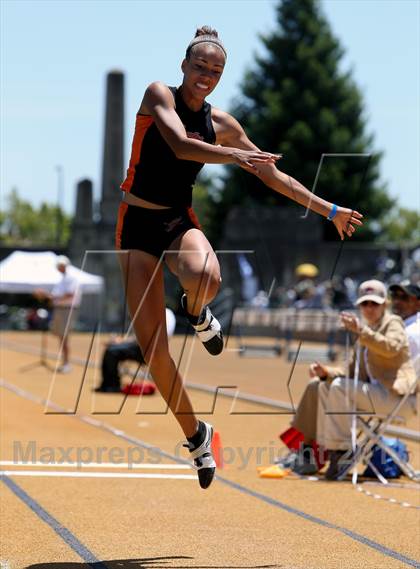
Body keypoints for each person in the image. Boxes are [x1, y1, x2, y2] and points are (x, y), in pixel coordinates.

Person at [116, 26, 363, 489]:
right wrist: (235, 156)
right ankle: (197, 435)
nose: (206, 76)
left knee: (207, 275)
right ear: (184, 66)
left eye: (216, 71)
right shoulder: (158, 96)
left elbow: (273, 176)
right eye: (200, 67)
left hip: (175, 220)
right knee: (154, 353)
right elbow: (180, 145)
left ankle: (195, 311)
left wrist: (329, 210)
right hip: (136, 225)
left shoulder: (223, 124)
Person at [289, 279, 417, 479]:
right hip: (375, 395)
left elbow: (391, 347)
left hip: (396, 398)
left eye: (374, 303)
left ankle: (342, 452)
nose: (369, 308)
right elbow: (350, 368)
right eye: (365, 303)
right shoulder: (366, 329)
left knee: (339, 387)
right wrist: (326, 371)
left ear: (384, 304)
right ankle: (326, 450)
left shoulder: (393, 323)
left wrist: (361, 331)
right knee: (324, 386)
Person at [95, 308, 176, 393]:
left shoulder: (156, 312)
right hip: (155, 350)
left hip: (146, 351)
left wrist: (121, 341)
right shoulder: (167, 313)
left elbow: (146, 339)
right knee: (113, 349)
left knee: (111, 351)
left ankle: (111, 385)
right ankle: (110, 384)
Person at [34, 255, 80, 373]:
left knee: (64, 337)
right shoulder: (62, 280)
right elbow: (56, 298)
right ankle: (64, 362)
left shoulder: (71, 279)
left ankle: (67, 363)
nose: (60, 267)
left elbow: (69, 295)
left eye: (62, 265)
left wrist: (48, 295)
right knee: (61, 337)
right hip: (60, 309)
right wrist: (46, 296)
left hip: (66, 310)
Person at [389, 280, 420, 377]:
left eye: (404, 297)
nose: (397, 301)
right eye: (394, 296)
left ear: (418, 303)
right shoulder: (401, 327)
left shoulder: (411, 332)